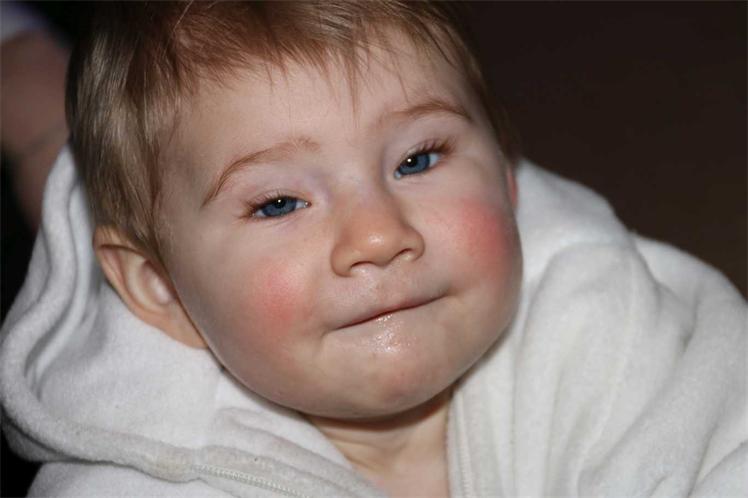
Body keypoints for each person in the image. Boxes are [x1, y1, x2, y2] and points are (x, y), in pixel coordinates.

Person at [0, 2, 745, 496]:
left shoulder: (600, 312)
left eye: (417, 160)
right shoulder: (135, 474)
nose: (380, 236)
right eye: (279, 203)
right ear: (160, 287)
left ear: (506, 175)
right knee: (60, 161)